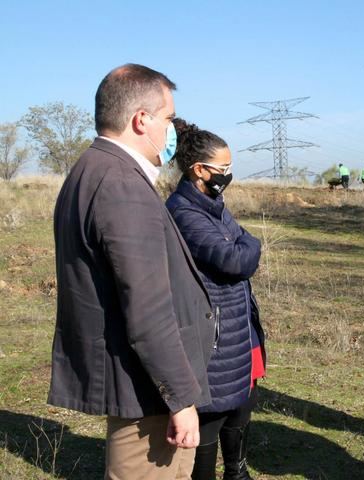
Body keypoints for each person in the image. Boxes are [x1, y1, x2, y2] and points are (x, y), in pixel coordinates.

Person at [49, 64, 215, 479]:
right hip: (148, 397)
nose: (173, 128)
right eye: (169, 118)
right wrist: (180, 399)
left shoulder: (92, 168)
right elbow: (148, 310)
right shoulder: (121, 184)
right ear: (142, 120)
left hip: (142, 384)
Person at [166, 119, 266, 480]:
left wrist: (246, 244)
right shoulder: (183, 211)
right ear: (199, 170)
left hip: (238, 326)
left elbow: (243, 243)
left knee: (242, 403)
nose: (228, 174)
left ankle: (237, 473)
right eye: (223, 169)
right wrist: (249, 245)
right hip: (214, 334)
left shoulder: (213, 202)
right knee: (211, 415)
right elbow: (237, 258)